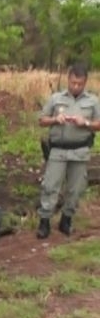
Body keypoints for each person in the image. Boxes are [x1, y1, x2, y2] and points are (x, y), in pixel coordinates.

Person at [36, 63, 100, 239]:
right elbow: (41, 120)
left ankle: (66, 219)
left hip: (80, 151)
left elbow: (98, 123)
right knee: (50, 186)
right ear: (68, 80)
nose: (76, 87)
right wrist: (56, 119)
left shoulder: (93, 101)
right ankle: (44, 222)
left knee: (75, 189)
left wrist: (85, 123)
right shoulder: (56, 98)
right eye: (73, 83)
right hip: (58, 150)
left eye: (80, 83)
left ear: (85, 82)